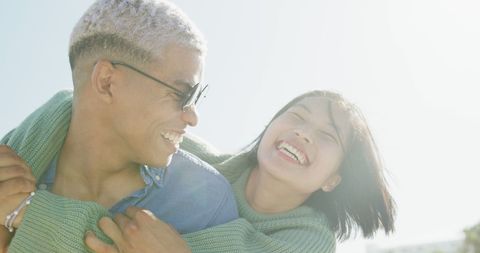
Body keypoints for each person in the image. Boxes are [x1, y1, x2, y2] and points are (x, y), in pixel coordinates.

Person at [1, 90, 396, 253]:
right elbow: (81, 106)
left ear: (333, 179)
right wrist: (13, 176)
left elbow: (133, 241)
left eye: (326, 136)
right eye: (297, 115)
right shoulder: (204, 168)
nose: (302, 133)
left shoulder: (307, 240)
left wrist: (27, 212)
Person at [0, 0, 240, 252]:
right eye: (182, 94)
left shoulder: (207, 203)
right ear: (106, 82)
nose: (193, 118)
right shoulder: (13, 157)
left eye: (196, 98)